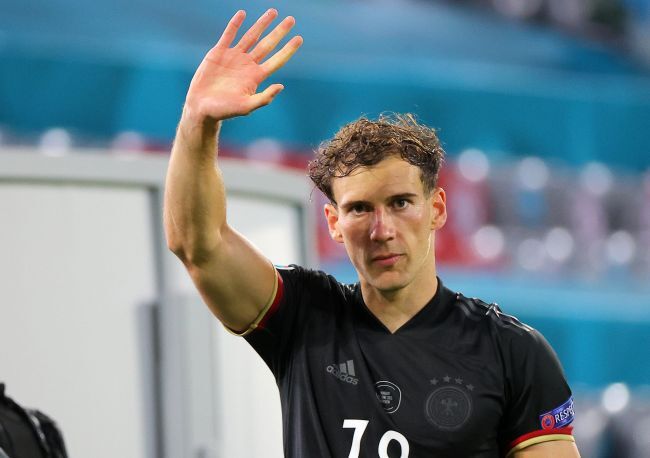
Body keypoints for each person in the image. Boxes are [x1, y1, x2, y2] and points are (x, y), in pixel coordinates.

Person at [163, 9, 580, 457]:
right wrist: (197, 123)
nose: (381, 230)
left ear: (437, 209)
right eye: (360, 209)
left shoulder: (513, 352)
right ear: (334, 223)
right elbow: (199, 245)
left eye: (400, 203)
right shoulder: (302, 316)